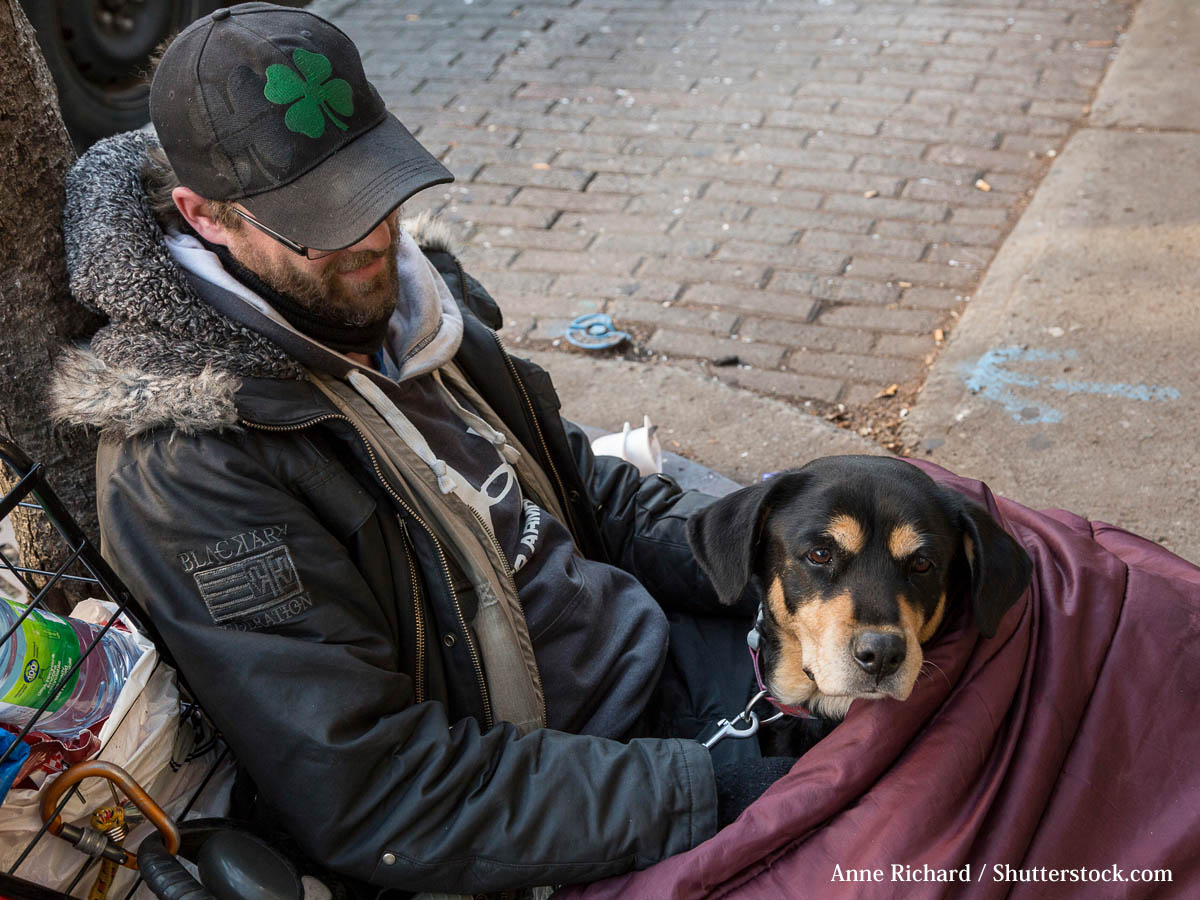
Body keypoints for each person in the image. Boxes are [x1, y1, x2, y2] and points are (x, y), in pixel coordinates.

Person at [50, 4, 793, 896]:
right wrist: (709, 786)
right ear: (207, 218)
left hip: (666, 660)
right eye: (321, 217)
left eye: (375, 188)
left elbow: (585, 488)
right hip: (568, 784)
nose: (373, 237)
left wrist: (766, 551)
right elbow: (382, 792)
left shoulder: (409, 305)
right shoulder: (190, 469)